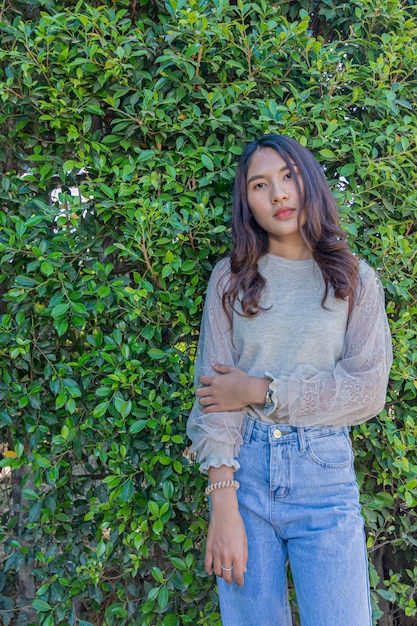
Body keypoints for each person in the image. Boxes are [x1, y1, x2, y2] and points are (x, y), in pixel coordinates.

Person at [186, 134, 392, 626]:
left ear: (310, 182)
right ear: (247, 203)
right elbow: (214, 396)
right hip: (245, 476)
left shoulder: (355, 281)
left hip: (325, 478)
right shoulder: (230, 279)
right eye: (260, 185)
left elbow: (367, 390)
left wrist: (263, 389)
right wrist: (223, 502)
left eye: (287, 176)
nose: (278, 194)